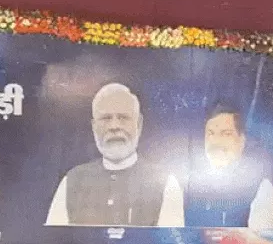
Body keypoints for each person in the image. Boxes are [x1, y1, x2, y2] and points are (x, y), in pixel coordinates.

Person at [46, 83, 184, 227]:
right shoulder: (72, 181)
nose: (114, 126)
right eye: (106, 118)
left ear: (139, 124)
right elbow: (53, 239)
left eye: (123, 118)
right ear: (94, 126)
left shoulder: (165, 183)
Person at [184, 103, 273, 230]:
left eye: (226, 134)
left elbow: (259, 241)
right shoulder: (185, 185)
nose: (216, 142)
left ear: (241, 141)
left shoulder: (263, 190)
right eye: (211, 133)